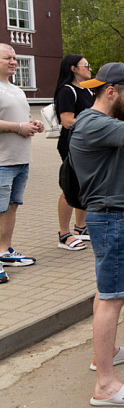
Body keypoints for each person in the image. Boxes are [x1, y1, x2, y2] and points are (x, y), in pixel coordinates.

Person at [71, 62, 124, 406]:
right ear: (111, 92)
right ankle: (105, 385)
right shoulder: (93, 122)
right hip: (114, 219)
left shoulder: (100, 123)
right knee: (112, 297)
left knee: (107, 293)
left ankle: (104, 355)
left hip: (115, 218)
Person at [0, 43, 43, 282]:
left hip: (21, 159)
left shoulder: (15, 89)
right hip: (2, 161)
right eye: (8, 58)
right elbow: (13, 124)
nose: (14, 62)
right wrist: (19, 127)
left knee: (11, 207)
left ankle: (4, 251)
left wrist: (32, 123)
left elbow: (20, 117)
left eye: (15, 58)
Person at [53, 54, 95, 251]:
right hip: (72, 144)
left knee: (83, 186)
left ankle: (80, 227)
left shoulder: (87, 90)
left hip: (87, 144)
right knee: (70, 186)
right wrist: (95, 126)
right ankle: (64, 233)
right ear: (73, 68)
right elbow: (67, 121)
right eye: (85, 65)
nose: (89, 68)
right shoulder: (67, 91)